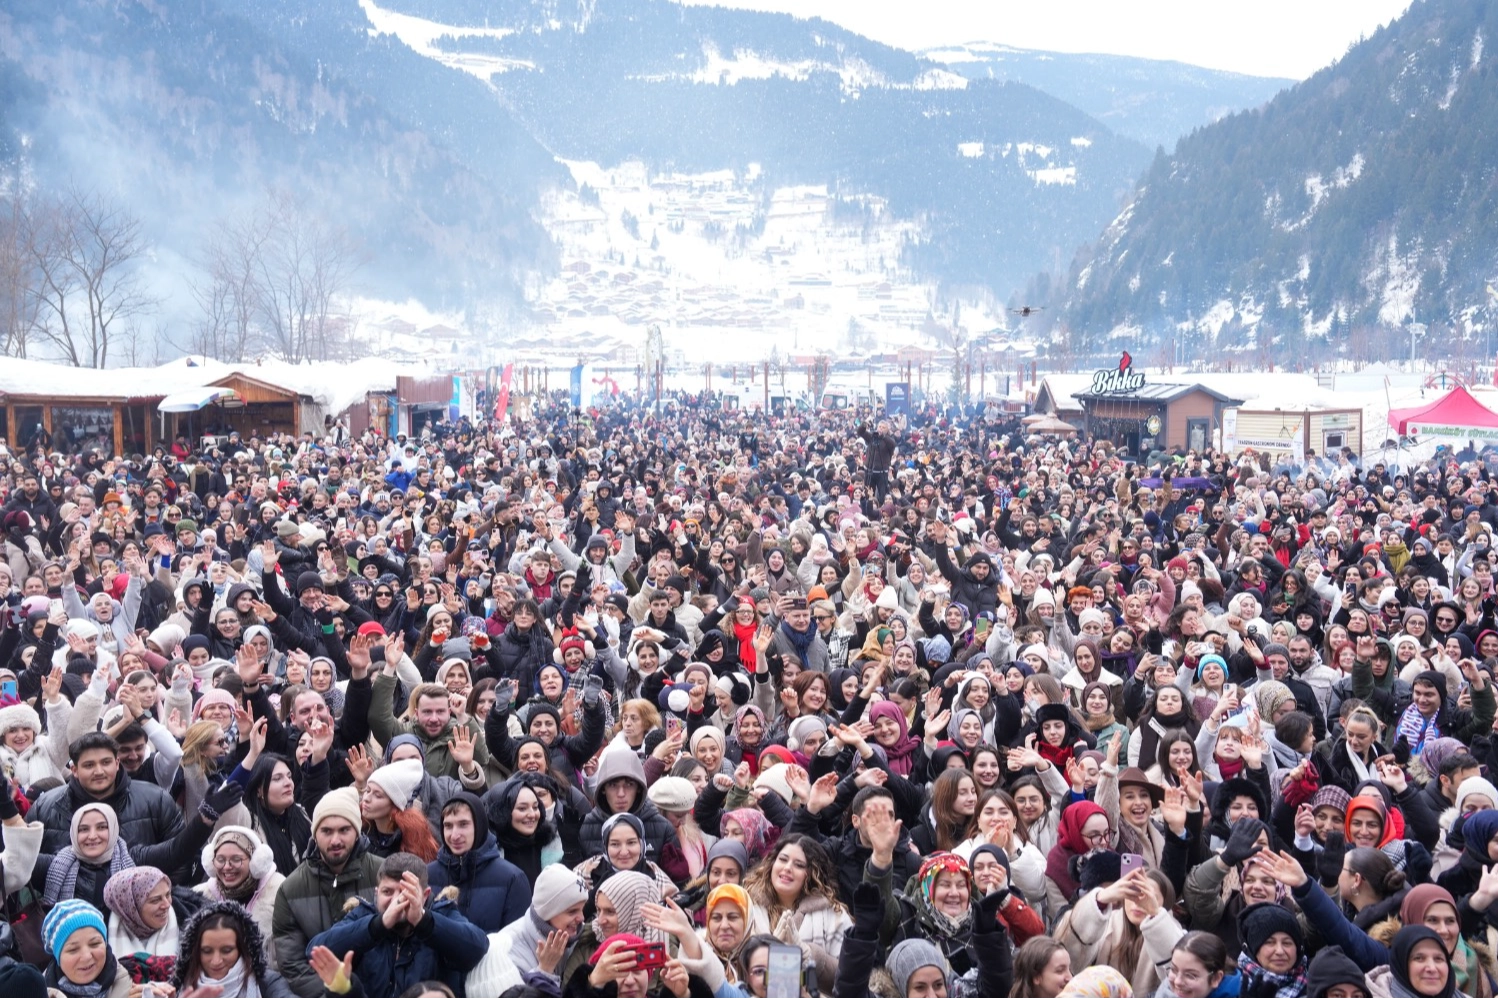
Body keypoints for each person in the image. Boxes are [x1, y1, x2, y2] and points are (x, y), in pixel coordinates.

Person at [309, 851, 489, 998]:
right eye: (388, 892)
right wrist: (377, 926)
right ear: (376, 893)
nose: (396, 901)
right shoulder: (364, 915)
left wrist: (423, 921)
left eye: (405, 892)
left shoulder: (443, 913)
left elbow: (477, 947)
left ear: (425, 895)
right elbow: (315, 951)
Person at [271, 786, 383, 997]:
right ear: (315, 834)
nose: (335, 841)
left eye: (344, 830)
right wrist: (335, 993)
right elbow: (293, 965)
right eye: (327, 831)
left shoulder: (383, 873)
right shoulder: (290, 889)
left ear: (356, 832)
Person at [426, 791, 531, 933]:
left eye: (463, 824)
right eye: (448, 826)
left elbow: (518, 942)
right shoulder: (428, 875)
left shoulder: (512, 878)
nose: (454, 835)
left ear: (479, 826)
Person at [172, 899, 297, 997]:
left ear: (242, 949)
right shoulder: (176, 989)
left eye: (226, 951)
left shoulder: (268, 982)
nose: (216, 961)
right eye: (207, 951)